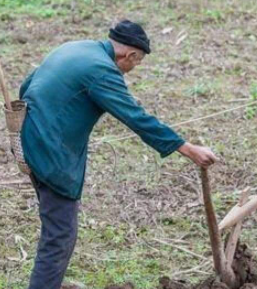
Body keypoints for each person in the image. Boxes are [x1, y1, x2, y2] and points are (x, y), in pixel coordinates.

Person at [19, 20, 218, 289]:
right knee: (60, 235)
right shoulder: (102, 70)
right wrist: (187, 148)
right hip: (52, 154)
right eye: (136, 64)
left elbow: (28, 85)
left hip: (33, 139)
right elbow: (135, 117)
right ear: (131, 55)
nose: (131, 70)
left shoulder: (76, 48)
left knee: (58, 229)